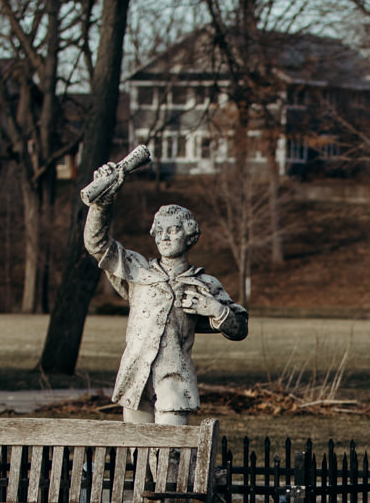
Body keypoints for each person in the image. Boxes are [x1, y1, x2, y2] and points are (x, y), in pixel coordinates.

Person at [81, 158, 247, 426]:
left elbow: (240, 327)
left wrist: (216, 310)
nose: (165, 237)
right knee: (138, 459)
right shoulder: (138, 272)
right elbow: (96, 244)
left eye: (173, 230)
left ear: (189, 236)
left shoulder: (203, 283)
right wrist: (102, 202)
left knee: (171, 459)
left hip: (174, 382)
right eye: (160, 231)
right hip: (135, 379)